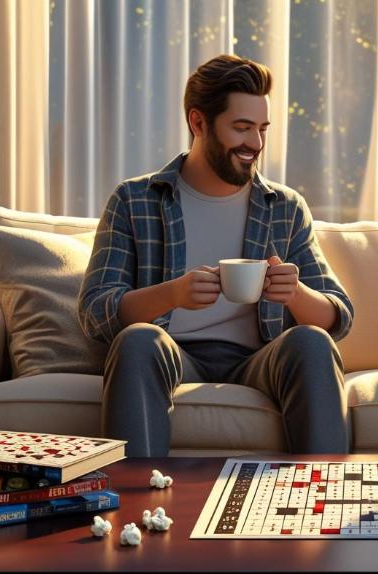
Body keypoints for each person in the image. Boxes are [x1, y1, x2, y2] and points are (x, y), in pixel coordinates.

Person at [79, 54, 354, 457]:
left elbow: (339, 316)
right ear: (198, 122)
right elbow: (94, 312)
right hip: (174, 354)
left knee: (311, 342)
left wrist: (295, 294)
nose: (255, 144)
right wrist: (171, 294)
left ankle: (326, 498)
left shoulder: (284, 207)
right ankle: (135, 508)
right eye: (241, 128)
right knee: (138, 341)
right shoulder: (134, 200)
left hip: (259, 360)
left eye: (262, 129)